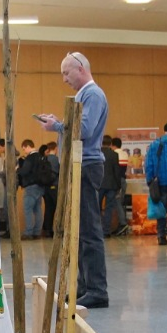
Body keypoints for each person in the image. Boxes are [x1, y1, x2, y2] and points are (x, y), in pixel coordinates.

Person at [37, 52, 109, 308]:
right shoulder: (85, 95)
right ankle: (86, 286)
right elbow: (79, 126)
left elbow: (84, 129)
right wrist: (59, 123)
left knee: (89, 231)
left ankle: (97, 290)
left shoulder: (93, 94)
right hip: (80, 165)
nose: (64, 79)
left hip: (86, 166)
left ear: (80, 69)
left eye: (66, 73)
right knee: (81, 231)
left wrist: (57, 126)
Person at [16, 138, 45, 239]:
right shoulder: (41, 156)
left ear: (28, 146)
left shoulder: (30, 158)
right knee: (38, 210)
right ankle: (37, 232)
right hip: (40, 186)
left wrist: (18, 169)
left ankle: (28, 232)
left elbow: (25, 171)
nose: (24, 151)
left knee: (28, 209)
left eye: (24, 149)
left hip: (30, 186)